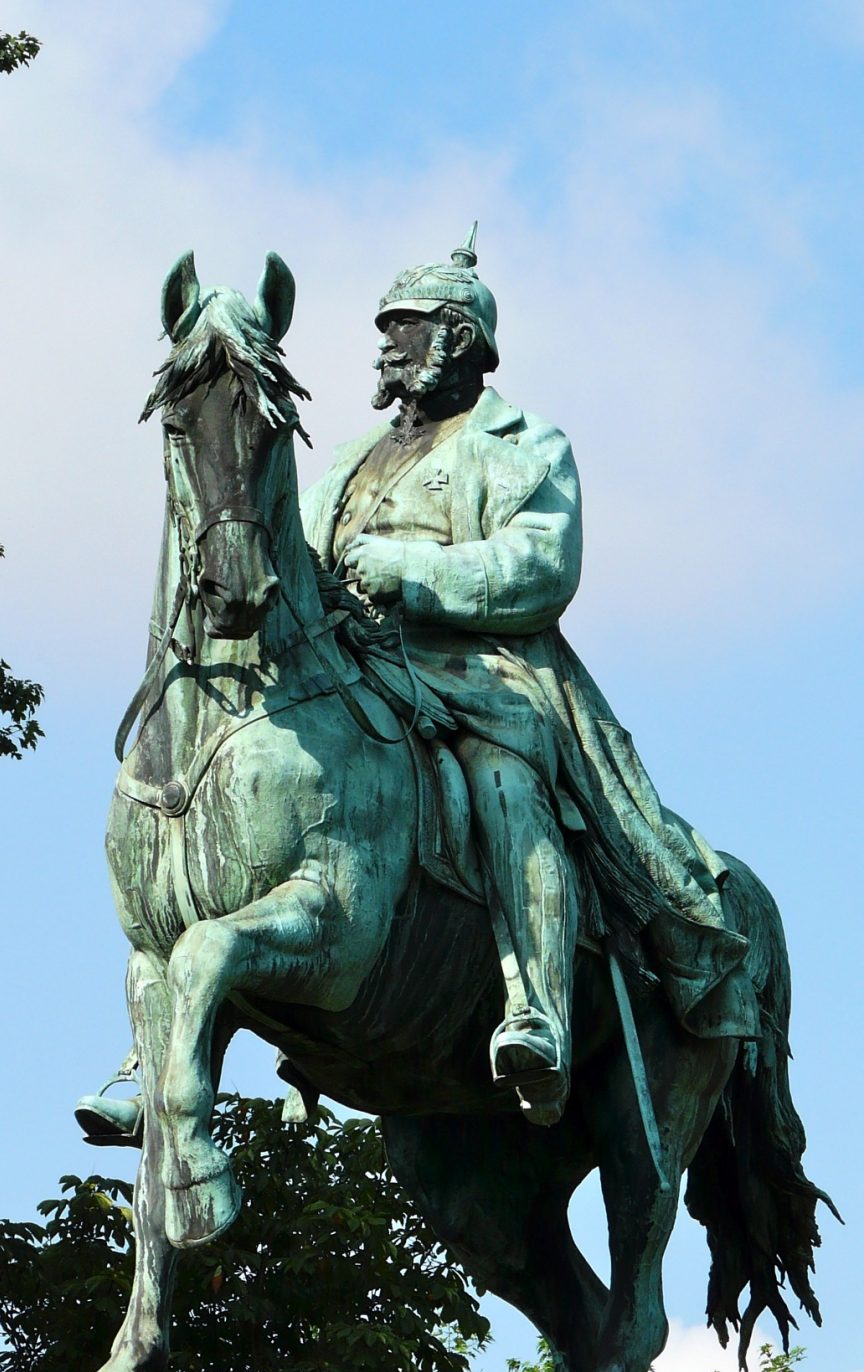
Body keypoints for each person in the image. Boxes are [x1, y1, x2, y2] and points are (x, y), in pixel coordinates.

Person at [299, 229, 758, 1123]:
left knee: (505, 786)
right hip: (359, 669)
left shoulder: (525, 443)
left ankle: (537, 1009)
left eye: (408, 326)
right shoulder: (347, 463)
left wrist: (412, 570)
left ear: (460, 339)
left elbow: (541, 564)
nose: (387, 345)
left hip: (480, 673)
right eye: (386, 327)